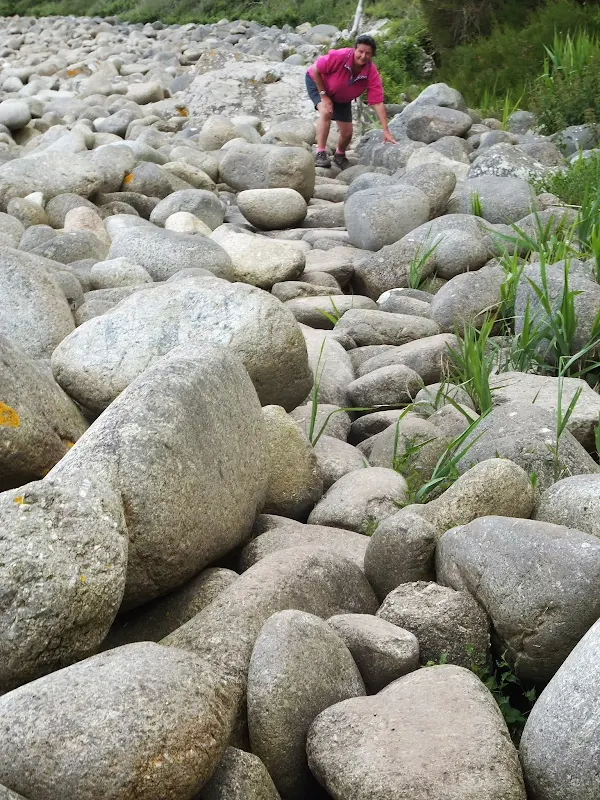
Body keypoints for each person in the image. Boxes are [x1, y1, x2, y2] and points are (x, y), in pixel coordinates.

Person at [306, 34, 397, 169]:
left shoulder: (371, 72)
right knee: (326, 112)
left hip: (342, 96)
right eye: (360, 51)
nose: (363, 56)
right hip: (319, 83)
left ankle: (339, 155)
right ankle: (320, 153)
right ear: (355, 49)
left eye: (368, 53)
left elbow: (377, 102)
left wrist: (386, 130)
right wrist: (324, 96)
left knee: (347, 133)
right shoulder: (340, 56)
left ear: (372, 55)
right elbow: (315, 70)